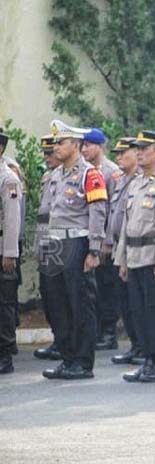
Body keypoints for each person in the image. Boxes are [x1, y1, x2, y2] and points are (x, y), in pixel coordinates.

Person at [42, 120, 106, 380]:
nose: (56, 147)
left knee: (80, 303)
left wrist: (94, 249)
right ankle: (67, 357)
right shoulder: (55, 175)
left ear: (77, 145)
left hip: (76, 243)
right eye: (56, 142)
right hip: (55, 243)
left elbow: (97, 212)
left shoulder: (90, 174)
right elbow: (48, 213)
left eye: (61, 142)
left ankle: (82, 361)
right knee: (58, 304)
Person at [115, 131, 155, 383]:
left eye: (145, 148)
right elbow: (126, 225)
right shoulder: (137, 183)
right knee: (139, 312)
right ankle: (148, 360)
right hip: (135, 256)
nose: (139, 152)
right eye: (138, 148)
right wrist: (122, 259)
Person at [82, 128, 122, 351]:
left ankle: (109, 332)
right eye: (83, 145)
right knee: (93, 288)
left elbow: (114, 210)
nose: (85, 149)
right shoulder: (85, 171)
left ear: (100, 146)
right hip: (90, 238)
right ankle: (97, 329)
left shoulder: (111, 172)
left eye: (89, 145)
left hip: (105, 239)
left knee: (107, 286)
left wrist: (107, 241)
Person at [107, 137, 145, 366]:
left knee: (138, 303)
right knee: (125, 302)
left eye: (124, 153)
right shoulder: (120, 180)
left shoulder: (142, 180)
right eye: (117, 154)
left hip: (137, 248)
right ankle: (135, 345)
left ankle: (144, 346)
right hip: (120, 248)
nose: (119, 157)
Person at [33, 135, 63, 361]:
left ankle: (66, 341)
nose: (48, 157)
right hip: (46, 240)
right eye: (45, 153)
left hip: (61, 242)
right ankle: (58, 338)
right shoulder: (48, 177)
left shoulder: (70, 177)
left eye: (51, 152)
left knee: (63, 297)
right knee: (50, 295)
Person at [0, 130, 22, 374]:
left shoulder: (7, 179)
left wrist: (9, 253)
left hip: (1, 250)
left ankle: (5, 355)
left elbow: (12, 219)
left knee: (4, 305)